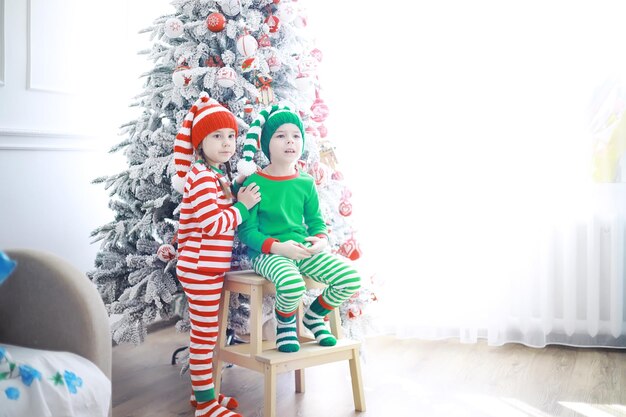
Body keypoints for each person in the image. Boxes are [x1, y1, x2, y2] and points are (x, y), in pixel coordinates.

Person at [236, 104, 361, 353]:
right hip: (267, 253)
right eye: (280, 135)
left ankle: (313, 317)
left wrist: (321, 241)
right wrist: (278, 247)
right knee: (292, 284)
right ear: (266, 144)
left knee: (350, 278)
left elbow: (316, 222)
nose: (290, 141)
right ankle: (285, 325)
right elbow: (246, 232)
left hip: (302, 249)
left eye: (296, 135)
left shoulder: (305, 182)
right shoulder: (254, 182)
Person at [172, 92, 261, 417]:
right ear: (200, 142)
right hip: (200, 270)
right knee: (204, 335)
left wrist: (235, 197)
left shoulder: (212, 175)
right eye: (217, 136)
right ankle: (205, 406)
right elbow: (213, 224)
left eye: (230, 136)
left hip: (206, 268)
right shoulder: (200, 178)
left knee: (208, 333)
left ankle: (203, 394)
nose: (226, 143)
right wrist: (242, 206)